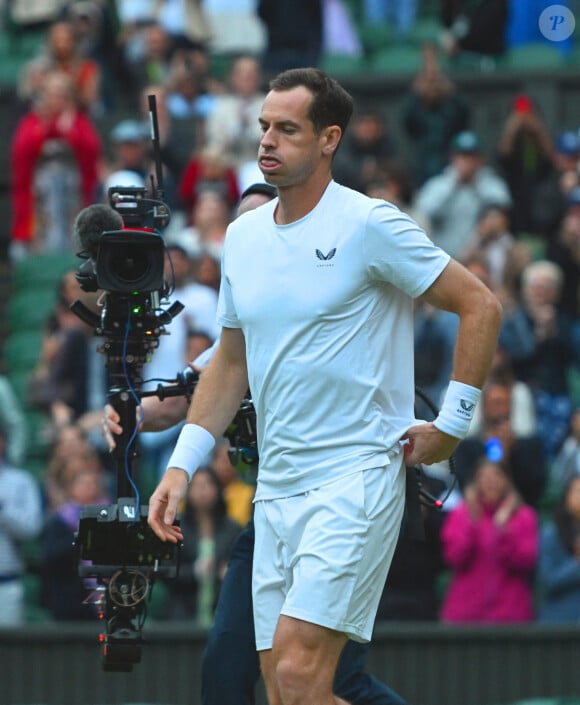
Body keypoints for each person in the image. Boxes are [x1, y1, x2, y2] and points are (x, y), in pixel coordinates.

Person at [147, 68, 501, 705]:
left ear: (330, 138)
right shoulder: (242, 236)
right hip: (275, 490)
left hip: (356, 477)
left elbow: (480, 305)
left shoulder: (370, 224)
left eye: (287, 129)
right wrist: (180, 465)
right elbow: (231, 362)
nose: (267, 142)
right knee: (286, 693)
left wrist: (453, 425)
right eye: (263, 128)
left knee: (304, 677)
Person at [104, 182, 408, 705]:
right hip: (271, 510)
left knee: (327, 682)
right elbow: (187, 394)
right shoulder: (239, 333)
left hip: (345, 499)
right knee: (226, 674)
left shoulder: (330, 306)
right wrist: (129, 415)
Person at [440, 454, 538, 623]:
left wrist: (504, 530)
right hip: (465, 614)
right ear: (475, 482)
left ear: (508, 480)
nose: (490, 482)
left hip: (510, 614)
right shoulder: (460, 513)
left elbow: (526, 560)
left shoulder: (524, 516)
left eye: (497, 475)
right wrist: (472, 521)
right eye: (484, 477)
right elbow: (454, 558)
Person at [0, 427, 43, 626]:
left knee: (7, 653)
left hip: (6, 583)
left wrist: (2, 512)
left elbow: (32, 528)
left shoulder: (21, 481)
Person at [536, 475, 580, 622]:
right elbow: (547, 581)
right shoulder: (551, 535)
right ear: (566, 498)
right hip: (559, 626)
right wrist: (577, 563)